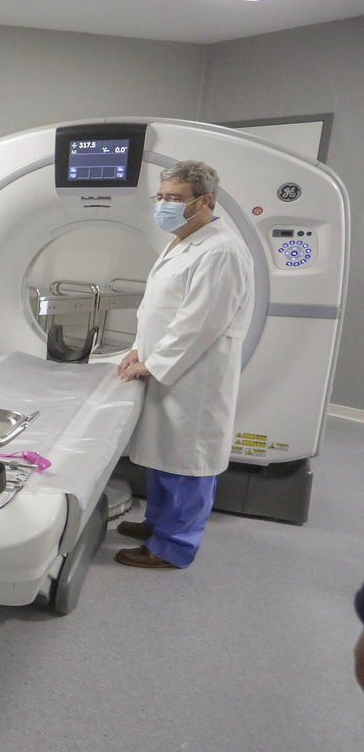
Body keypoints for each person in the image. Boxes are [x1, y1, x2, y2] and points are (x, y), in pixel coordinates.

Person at [114, 161, 253, 570]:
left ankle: (172, 546)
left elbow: (199, 323)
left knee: (188, 462)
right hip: (168, 366)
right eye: (161, 197)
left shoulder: (221, 250)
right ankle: (158, 523)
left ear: (204, 201)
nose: (164, 205)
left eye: (174, 199)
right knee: (166, 456)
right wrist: (140, 349)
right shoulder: (183, 240)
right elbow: (159, 308)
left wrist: (153, 362)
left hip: (196, 373)